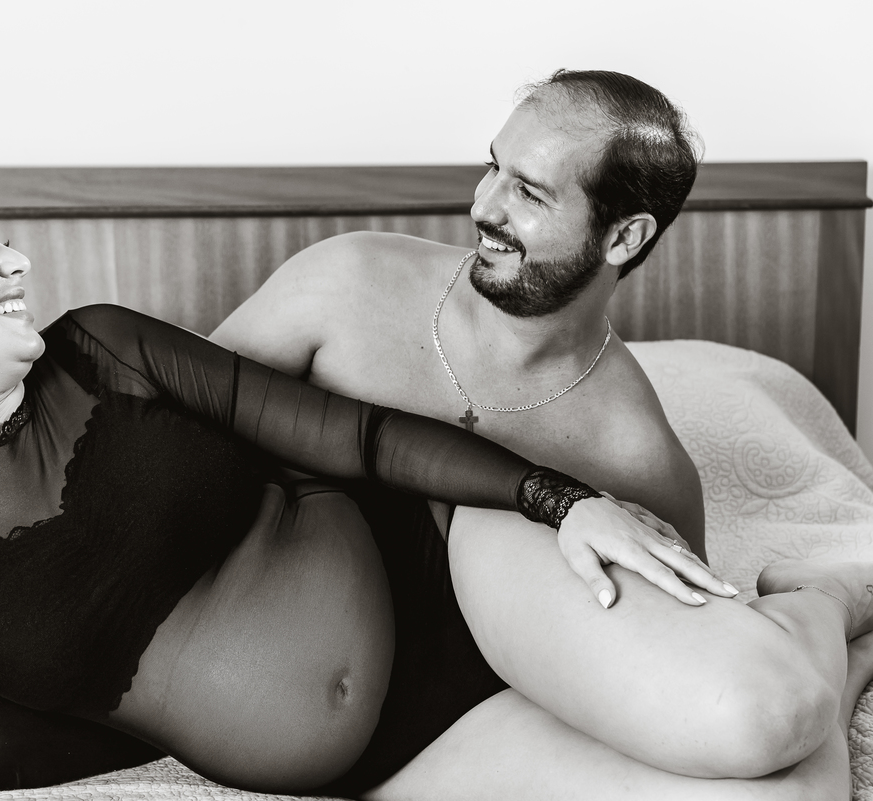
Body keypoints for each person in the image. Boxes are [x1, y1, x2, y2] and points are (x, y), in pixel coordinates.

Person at [0, 142, 723, 801]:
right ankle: (810, 617)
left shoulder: (102, 350)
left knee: (751, 725)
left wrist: (559, 498)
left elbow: (356, 436)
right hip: (396, 757)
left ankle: (804, 604)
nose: (16, 260)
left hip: (447, 571)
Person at [210, 69, 873, 798]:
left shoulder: (634, 455)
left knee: (780, 779)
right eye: (493, 166)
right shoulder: (344, 285)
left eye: (528, 192)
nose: (483, 206)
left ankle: (818, 603)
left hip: (462, 706)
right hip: (297, 681)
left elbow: (688, 669)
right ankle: (839, 635)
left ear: (623, 236)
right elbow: (173, 416)